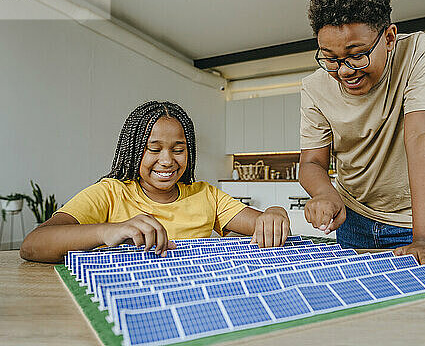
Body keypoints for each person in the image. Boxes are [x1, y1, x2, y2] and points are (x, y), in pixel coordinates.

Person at [299, 0, 425, 272]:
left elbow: (422, 137)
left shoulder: (416, 52)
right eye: (330, 57)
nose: (344, 70)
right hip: (352, 218)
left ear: (390, 37)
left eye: (357, 54)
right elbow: (312, 162)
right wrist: (326, 194)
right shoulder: (314, 87)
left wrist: (424, 239)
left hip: (413, 221)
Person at [20, 101, 290, 263]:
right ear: (135, 151)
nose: (167, 160)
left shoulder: (206, 195)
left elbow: (264, 223)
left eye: (178, 149)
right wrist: (107, 231)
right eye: (154, 148)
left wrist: (274, 213)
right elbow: (34, 244)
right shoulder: (109, 194)